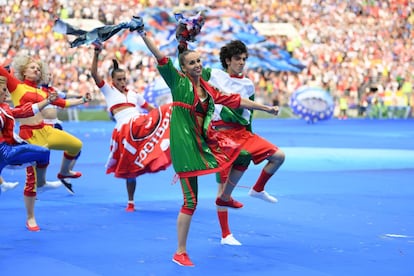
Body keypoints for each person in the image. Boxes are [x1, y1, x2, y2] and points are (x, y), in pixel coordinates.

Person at [136, 17, 280, 267]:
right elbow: (160, 56)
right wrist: (141, 32)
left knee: (239, 154)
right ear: (183, 67)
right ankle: (180, 251)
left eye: (199, 61)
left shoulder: (207, 88)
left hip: (205, 143)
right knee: (190, 201)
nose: (197, 65)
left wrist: (265, 107)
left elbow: (235, 100)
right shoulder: (178, 83)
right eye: (192, 63)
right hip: (185, 147)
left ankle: (225, 198)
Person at [202, 40, 286, 246]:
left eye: (244, 59)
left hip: (242, 133)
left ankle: (257, 189)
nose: (242, 63)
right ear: (228, 60)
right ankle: (225, 235)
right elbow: (189, 67)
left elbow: (247, 115)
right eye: (238, 59)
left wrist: (251, 135)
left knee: (278, 156)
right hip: (219, 135)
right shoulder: (213, 74)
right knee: (222, 187)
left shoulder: (248, 84)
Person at [91, 42, 172, 212]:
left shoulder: (135, 94)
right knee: (130, 169)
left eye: (124, 79)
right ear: (112, 80)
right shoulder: (108, 91)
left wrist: (163, 112)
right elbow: (94, 74)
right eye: (118, 80)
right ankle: (131, 202)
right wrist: (96, 53)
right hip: (124, 130)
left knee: (167, 111)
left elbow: (151, 110)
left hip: (139, 123)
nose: (122, 82)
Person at [0, 54, 91, 195]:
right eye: (32, 67)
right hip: (29, 134)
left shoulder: (44, 92)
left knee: (76, 145)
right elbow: (1, 70)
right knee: (32, 179)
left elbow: (64, 103)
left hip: (46, 130)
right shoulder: (17, 86)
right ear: (24, 71)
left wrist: (83, 99)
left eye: (38, 68)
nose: (36, 70)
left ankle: (64, 172)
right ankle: (32, 211)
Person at [0, 75, 57, 231]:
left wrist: (47, 101)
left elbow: (25, 111)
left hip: (9, 151)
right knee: (42, 153)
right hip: (5, 152)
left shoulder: (5, 108)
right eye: (4, 90)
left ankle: (42, 183)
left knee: (43, 153)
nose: (7, 94)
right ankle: (41, 183)